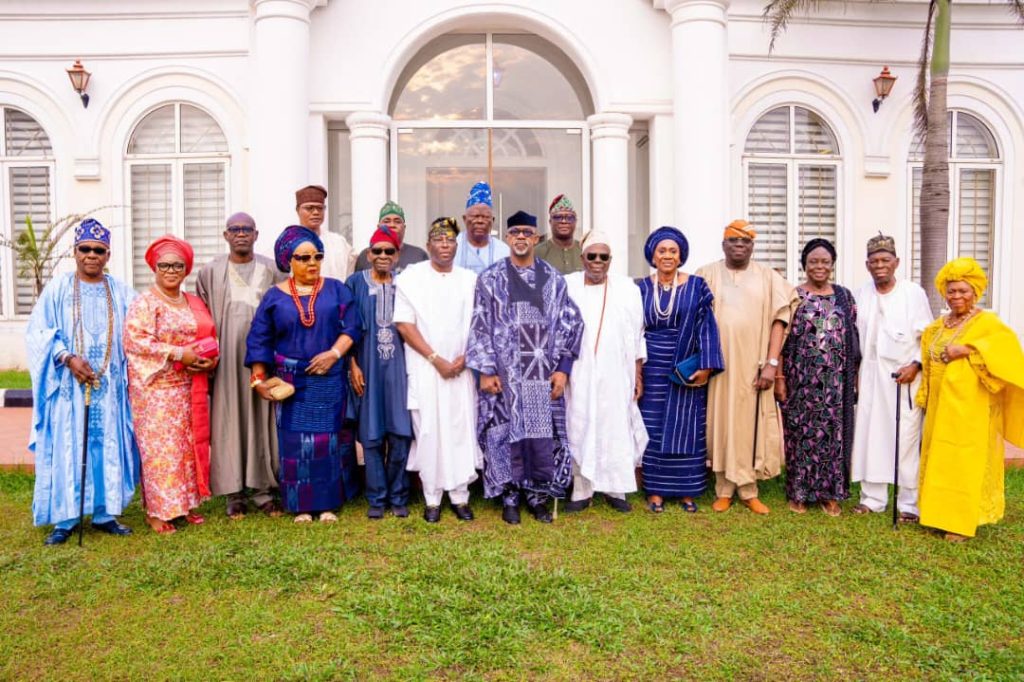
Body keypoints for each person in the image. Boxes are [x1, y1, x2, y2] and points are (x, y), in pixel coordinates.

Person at [467, 210, 583, 524]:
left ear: (536, 237)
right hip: (504, 375)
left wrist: (563, 369)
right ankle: (509, 496)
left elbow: (571, 322)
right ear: (506, 237)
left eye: (527, 232)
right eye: (515, 232)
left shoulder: (553, 279)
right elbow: (479, 324)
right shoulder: (490, 278)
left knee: (541, 434)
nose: (521, 237)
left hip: (541, 374)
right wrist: (486, 370)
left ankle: (537, 496)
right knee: (503, 431)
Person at [26, 218, 138, 545]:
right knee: (69, 447)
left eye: (98, 250)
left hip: (109, 387)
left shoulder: (120, 291)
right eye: (85, 249)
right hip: (68, 388)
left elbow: (141, 327)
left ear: (108, 255)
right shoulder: (59, 288)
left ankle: (105, 514)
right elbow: (39, 331)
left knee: (106, 445)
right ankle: (66, 518)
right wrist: (67, 357)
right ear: (74, 252)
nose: (91, 255)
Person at [246, 226, 362, 523]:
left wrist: (333, 354)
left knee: (328, 442)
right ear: (289, 260)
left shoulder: (336, 290)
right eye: (304, 257)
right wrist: (258, 380)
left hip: (329, 379)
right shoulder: (274, 297)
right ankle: (301, 506)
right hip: (291, 382)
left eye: (317, 256)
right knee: (295, 444)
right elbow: (260, 340)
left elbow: (352, 327)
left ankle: (327, 504)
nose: (312, 263)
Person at [916, 257, 1024, 542]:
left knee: (963, 460)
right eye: (951, 291)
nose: (956, 296)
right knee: (940, 457)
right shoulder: (938, 326)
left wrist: (967, 349)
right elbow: (928, 359)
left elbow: (1007, 353)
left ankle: (960, 523)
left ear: (975, 292)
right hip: (940, 403)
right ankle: (938, 516)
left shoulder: (987, 323)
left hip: (970, 406)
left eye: (963, 291)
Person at [696, 220, 797, 515]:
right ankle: (724, 489)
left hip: (755, 364)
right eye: (733, 241)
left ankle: (749, 490)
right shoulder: (706, 274)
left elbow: (780, 319)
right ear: (723, 245)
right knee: (722, 422)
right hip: (718, 365)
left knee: (749, 424)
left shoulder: (768, 277)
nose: (739, 246)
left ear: (752, 247)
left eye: (745, 242)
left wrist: (772, 364)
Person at [124, 236, 218, 534]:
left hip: (187, 386)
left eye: (177, 265)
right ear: (154, 268)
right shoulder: (145, 302)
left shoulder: (193, 302)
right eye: (164, 265)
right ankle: (157, 512)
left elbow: (208, 337)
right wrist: (178, 353)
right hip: (155, 391)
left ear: (186, 269)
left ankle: (184, 505)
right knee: (160, 452)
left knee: (184, 449)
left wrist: (208, 359)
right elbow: (136, 342)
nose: (171, 271)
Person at [195, 212, 284, 520]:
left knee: (261, 418)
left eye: (247, 229)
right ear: (226, 235)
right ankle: (233, 492)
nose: (241, 234)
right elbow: (200, 317)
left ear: (256, 234)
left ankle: (262, 490)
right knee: (228, 419)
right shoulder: (210, 271)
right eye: (235, 229)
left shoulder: (272, 269)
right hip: (225, 362)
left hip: (264, 358)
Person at [394, 217, 482, 523]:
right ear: (428, 244)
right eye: (438, 239)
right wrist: (436, 359)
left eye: (450, 240)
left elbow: (480, 322)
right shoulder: (411, 278)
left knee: (460, 427)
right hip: (425, 369)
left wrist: (464, 357)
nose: (445, 245)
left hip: (460, 369)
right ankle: (432, 498)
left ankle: (460, 496)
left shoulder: (469, 279)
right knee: (428, 430)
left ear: (457, 245)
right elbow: (405, 325)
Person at [636, 226, 724, 513]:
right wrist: (634, 371)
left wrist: (706, 365)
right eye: (662, 250)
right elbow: (633, 330)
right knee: (653, 427)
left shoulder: (697, 286)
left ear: (681, 255)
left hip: (685, 367)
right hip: (651, 367)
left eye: (673, 251)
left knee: (688, 426)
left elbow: (707, 326)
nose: (667, 256)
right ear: (652, 255)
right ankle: (655, 491)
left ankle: (687, 491)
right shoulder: (639, 288)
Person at [563, 230, 648, 513]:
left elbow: (638, 333)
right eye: (592, 256)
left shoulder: (627, 289)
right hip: (579, 371)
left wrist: (637, 373)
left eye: (604, 257)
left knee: (615, 426)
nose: (597, 261)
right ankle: (581, 489)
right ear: (582, 258)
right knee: (579, 422)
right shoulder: (568, 285)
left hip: (617, 372)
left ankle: (615, 488)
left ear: (610, 260)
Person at [850, 234, 932, 520]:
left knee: (905, 438)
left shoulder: (913, 293)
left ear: (896, 262)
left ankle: (908, 504)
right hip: (870, 375)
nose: (879, 265)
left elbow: (927, 336)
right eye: (874, 261)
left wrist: (916, 365)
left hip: (903, 376)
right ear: (867, 265)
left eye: (885, 260)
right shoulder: (860, 294)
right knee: (871, 434)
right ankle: (872, 498)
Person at [778, 238, 860, 516]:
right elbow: (781, 339)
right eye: (813, 261)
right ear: (804, 264)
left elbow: (854, 339)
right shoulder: (794, 296)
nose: (819, 266)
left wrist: (854, 379)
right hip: (800, 379)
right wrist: (780, 377)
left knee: (833, 436)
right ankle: (799, 492)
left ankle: (829, 493)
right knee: (800, 434)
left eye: (825, 261)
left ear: (832, 264)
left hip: (836, 383)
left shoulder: (844, 296)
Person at [347, 225, 414, 519]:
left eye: (389, 251)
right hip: (367, 368)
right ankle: (376, 498)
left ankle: (398, 495)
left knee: (400, 432)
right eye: (377, 251)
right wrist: (352, 364)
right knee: (371, 434)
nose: (383, 256)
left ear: (397, 255)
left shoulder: (407, 284)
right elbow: (346, 327)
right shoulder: (354, 284)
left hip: (401, 370)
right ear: (369, 254)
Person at [295, 184, 355, 280]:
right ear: (298, 210)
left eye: (320, 208)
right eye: (309, 208)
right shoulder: (288, 243)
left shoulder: (338, 242)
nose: (316, 212)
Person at [353, 201, 428, 273]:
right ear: (378, 227)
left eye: (397, 222)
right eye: (386, 221)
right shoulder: (365, 256)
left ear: (404, 227)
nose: (392, 225)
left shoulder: (418, 255)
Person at [455, 181, 510, 274]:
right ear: (464, 219)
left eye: (485, 217)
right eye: (475, 216)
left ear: (492, 220)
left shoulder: (504, 251)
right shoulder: (451, 247)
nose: (480, 221)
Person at [535, 194, 582, 275]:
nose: (564, 221)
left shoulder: (585, 251)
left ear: (575, 222)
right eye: (558, 217)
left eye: (569, 218)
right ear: (550, 222)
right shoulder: (537, 253)